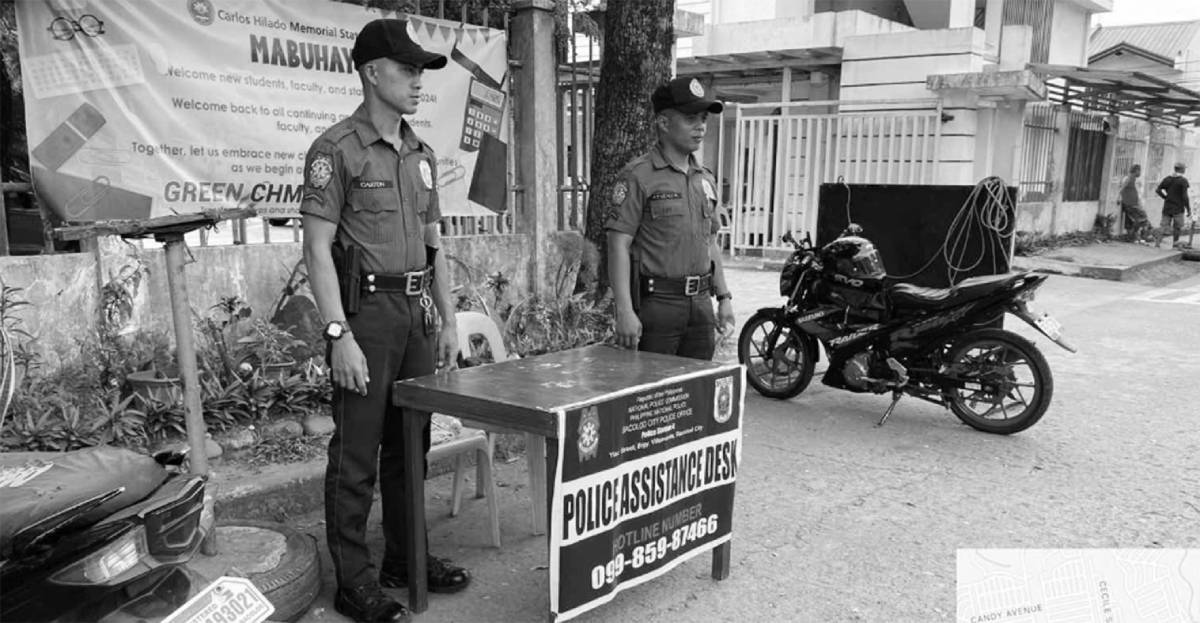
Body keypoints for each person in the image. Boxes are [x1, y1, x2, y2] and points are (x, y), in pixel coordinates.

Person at [300, 19, 468, 623]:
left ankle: (405, 558)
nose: (418, 80)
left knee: (409, 447)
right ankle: (353, 581)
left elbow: (434, 243)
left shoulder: (420, 155)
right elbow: (317, 250)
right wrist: (338, 335)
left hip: (416, 315)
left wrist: (447, 321)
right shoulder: (336, 150)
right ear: (372, 73)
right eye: (407, 69)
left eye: (421, 70)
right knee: (356, 453)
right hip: (366, 316)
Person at [605, 76, 735, 360]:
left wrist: (724, 297)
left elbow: (710, 242)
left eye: (703, 118)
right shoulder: (638, 176)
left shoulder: (705, 179)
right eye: (690, 118)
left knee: (698, 383)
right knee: (652, 386)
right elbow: (617, 245)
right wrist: (624, 311)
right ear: (664, 123)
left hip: (701, 305)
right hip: (657, 305)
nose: (700, 126)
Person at [1154, 162, 1192, 248]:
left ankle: (1157, 244)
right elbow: (1185, 196)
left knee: (1163, 226)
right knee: (1177, 227)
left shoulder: (1167, 179)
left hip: (1167, 207)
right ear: (1181, 169)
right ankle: (1175, 245)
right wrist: (1188, 209)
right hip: (1178, 208)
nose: (1185, 170)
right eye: (1184, 168)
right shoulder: (1183, 181)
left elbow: (1158, 190)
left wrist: (1165, 197)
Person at [1119, 164, 1149, 243]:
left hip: (1132, 203)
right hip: (1130, 203)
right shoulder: (1129, 178)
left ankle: (1132, 236)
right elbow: (1122, 188)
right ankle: (1134, 235)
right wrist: (1118, 198)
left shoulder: (1132, 178)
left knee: (1134, 220)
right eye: (1139, 171)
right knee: (1143, 217)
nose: (1140, 173)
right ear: (1136, 171)